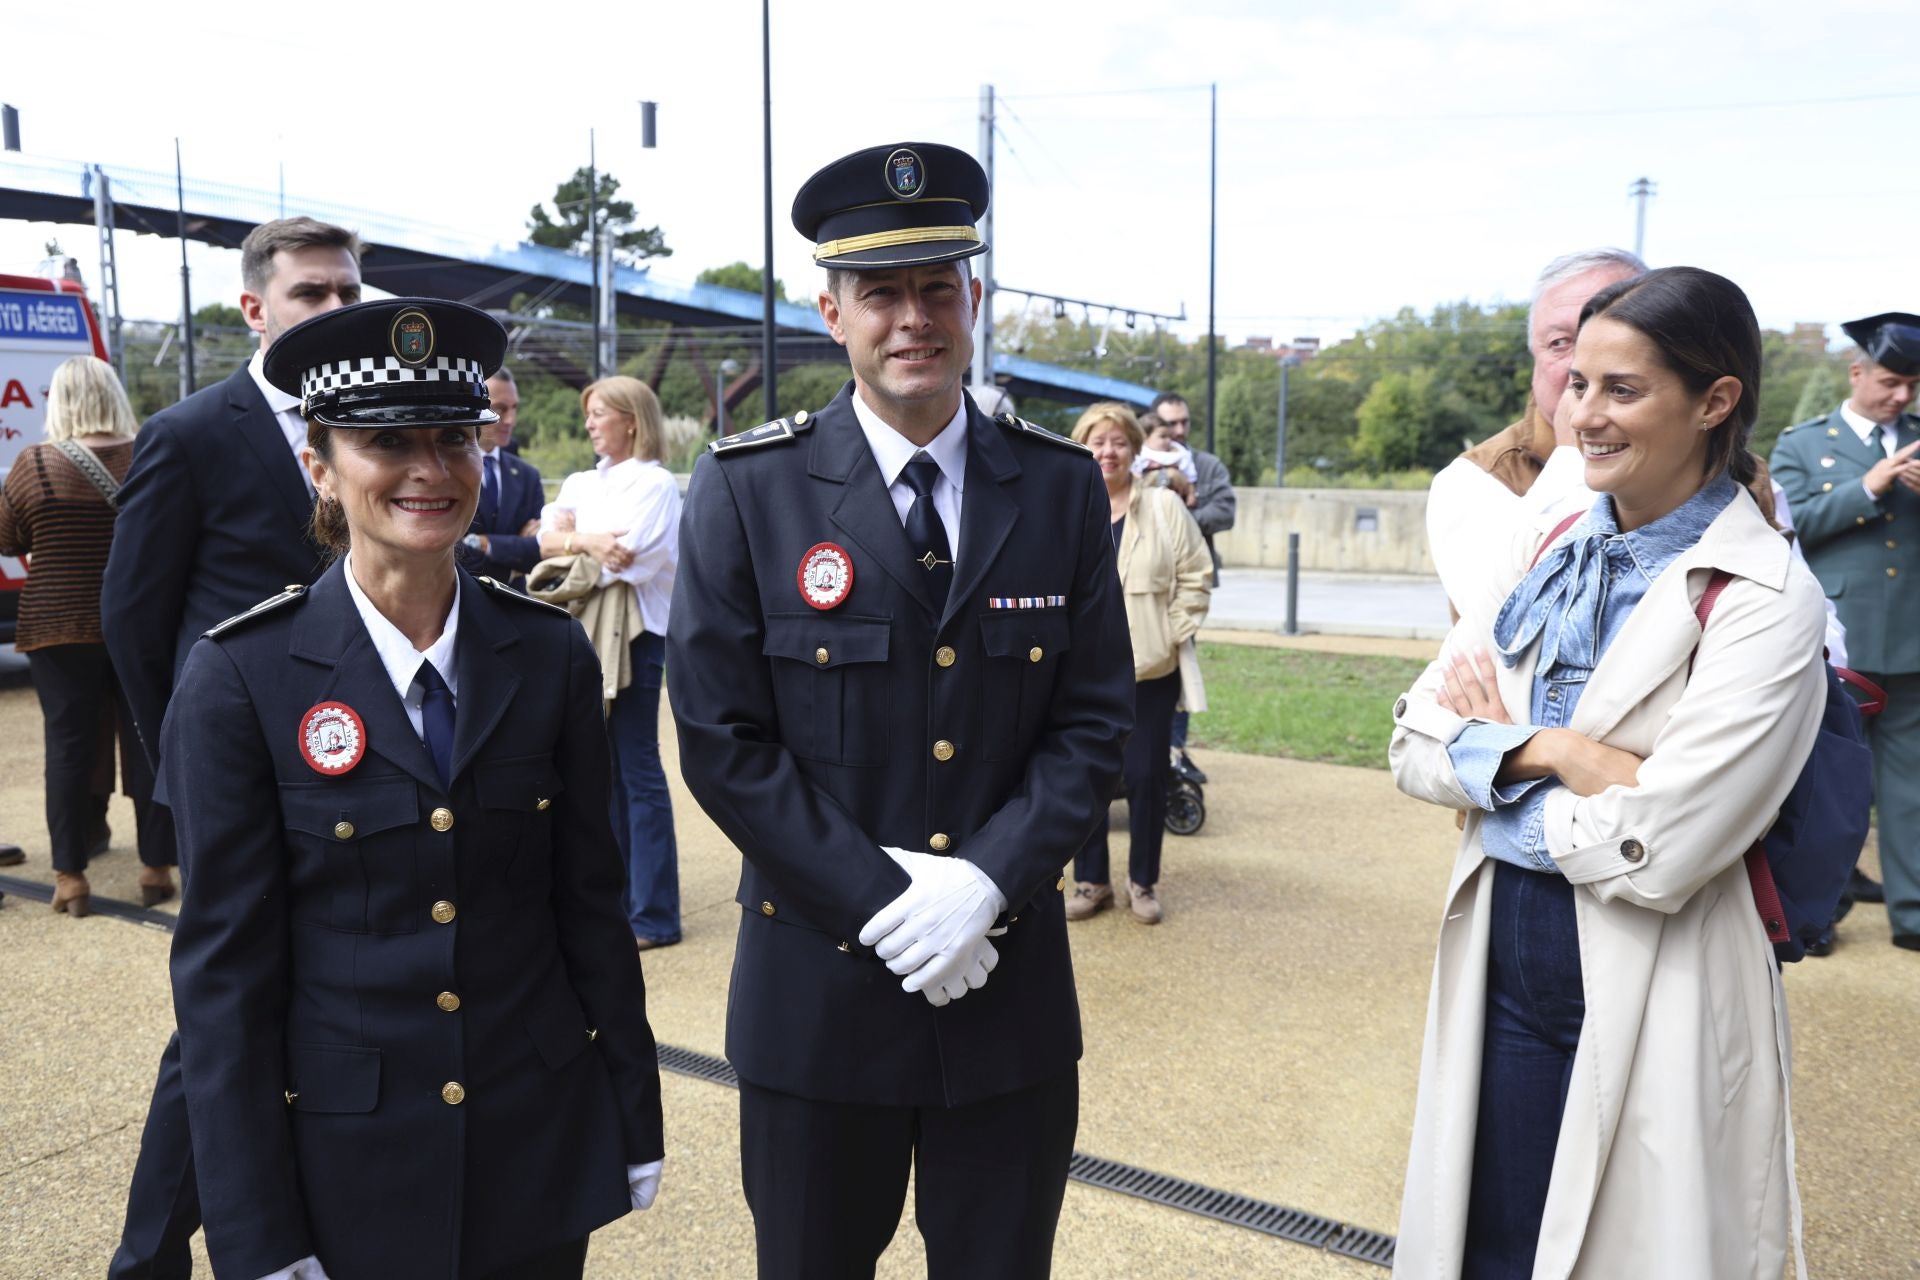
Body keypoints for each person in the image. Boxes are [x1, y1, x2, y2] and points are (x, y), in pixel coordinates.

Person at [668, 140, 1132, 1279]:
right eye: (882, 292)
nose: (912, 317)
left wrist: (982, 882)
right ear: (832, 311)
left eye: (936, 287)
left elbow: (1094, 719)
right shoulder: (748, 486)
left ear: (973, 300)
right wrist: (892, 901)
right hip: (817, 1003)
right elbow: (725, 743)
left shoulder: (1060, 486)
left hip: (1004, 992)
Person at [164, 297, 664, 1280]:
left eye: (454, 438)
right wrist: (255, 1224)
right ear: (320, 466)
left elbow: (589, 908)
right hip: (348, 1163)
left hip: (534, 1143)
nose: (431, 470)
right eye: (388, 440)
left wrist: (631, 1105)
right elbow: (223, 986)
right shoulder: (241, 678)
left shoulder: (547, 653)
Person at [1389, 267, 1828, 1279]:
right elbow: (1413, 739)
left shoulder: (1764, 594)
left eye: (1621, 389)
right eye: (1576, 382)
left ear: (1716, 400)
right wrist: (1565, 755)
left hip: (1657, 962)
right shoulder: (1547, 547)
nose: (1583, 413)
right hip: (1506, 954)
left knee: (1634, 1246)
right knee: (1493, 1242)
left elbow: (1661, 851)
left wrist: (1493, 771)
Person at [103, 214, 360, 1280]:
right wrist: (188, 765)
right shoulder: (194, 432)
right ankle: (152, 1255)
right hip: (240, 773)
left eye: (350, 292)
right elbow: (131, 613)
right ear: (256, 309)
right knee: (225, 1009)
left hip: (359, 765)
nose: (338, 312)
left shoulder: (374, 421)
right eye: (313, 294)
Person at [1770, 311, 1920, 953]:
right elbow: (1786, 522)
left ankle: (1911, 914)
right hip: (1839, 642)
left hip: (1912, 636)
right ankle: (1820, 911)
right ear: (1857, 373)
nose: (1902, 396)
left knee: (1910, 786)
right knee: (1831, 786)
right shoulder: (1804, 443)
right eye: (1889, 381)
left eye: (1912, 386)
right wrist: (1869, 485)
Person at [0, 356, 172, 912]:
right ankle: (154, 867)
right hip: (140, 621)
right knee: (148, 741)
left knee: (68, 748)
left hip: (56, 623)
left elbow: (6, 539)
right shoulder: (149, 451)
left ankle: (71, 877)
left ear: (60, 402)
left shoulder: (35, 464)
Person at [533, 375, 682, 949]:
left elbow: (634, 559)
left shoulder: (656, 483)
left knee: (636, 770)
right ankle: (622, 904)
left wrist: (577, 541)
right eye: (589, 414)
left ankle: (655, 916)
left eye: (600, 414)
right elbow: (546, 542)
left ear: (632, 420)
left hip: (637, 637)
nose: (591, 423)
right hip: (584, 633)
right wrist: (590, 543)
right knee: (605, 772)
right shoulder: (579, 479)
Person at [1425, 249, 1647, 612]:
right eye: (1560, 342)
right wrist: (1575, 461)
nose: (1582, 362)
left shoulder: (1725, 467)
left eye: (1615, 332)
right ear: (1534, 359)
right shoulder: (1478, 479)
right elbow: (1520, 623)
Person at [1065, 401, 1210, 925]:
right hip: (1080, 674)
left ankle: (1142, 882)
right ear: (1081, 447)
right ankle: (1092, 880)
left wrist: (1170, 633)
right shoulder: (1064, 509)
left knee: (1147, 776)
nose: (1108, 451)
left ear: (1134, 449)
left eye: (1118, 442)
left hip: (1150, 669)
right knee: (1085, 776)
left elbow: (1197, 575)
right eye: (1097, 442)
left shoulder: (1165, 509)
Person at [1148, 392, 1231, 778]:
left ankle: (1176, 752)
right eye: (1169, 426)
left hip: (1184, 583)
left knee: (1180, 670)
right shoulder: (1139, 458)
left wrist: (1176, 518)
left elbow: (1224, 510)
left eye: (1184, 423)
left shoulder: (1205, 465)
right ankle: (1147, 751)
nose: (1178, 432)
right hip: (1141, 581)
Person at [458, 368, 545, 585]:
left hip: (514, 605)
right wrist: (512, 550)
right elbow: (446, 551)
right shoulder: (446, 468)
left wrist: (480, 542)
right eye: (500, 409)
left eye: (514, 408)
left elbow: (537, 549)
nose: (511, 420)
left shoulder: (527, 476)